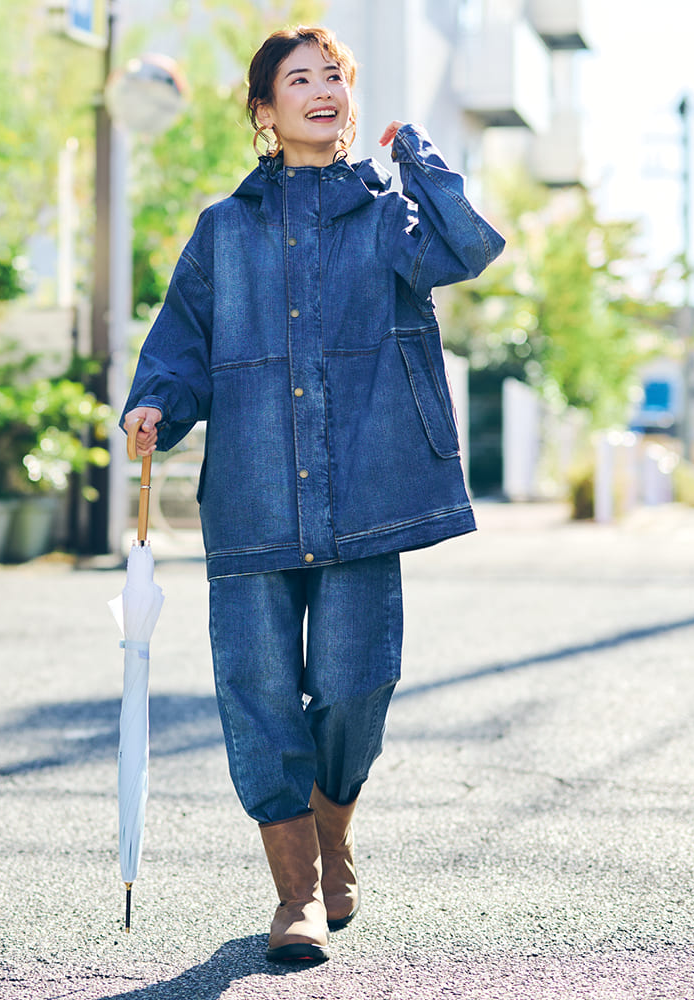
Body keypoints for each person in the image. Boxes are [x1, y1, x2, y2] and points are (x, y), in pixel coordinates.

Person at [121, 25, 504, 964]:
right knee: (256, 693)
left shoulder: (388, 216)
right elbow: (180, 339)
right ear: (265, 111)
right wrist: (155, 401)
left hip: (367, 490)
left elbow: (468, 248)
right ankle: (296, 893)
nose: (323, 89)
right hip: (252, 494)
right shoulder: (223, 230)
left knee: (354, 683)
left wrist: (418, 160)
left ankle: (336, 831)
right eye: (300, 79)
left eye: (335, 75)